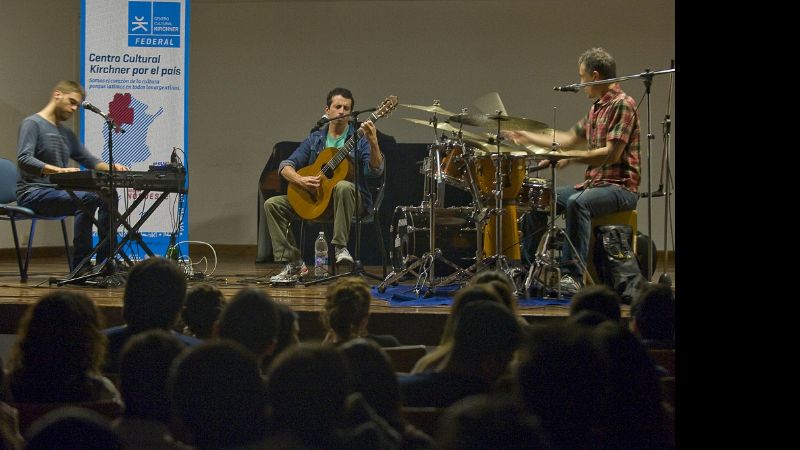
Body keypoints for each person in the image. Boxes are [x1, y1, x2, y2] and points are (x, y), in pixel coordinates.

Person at [506, 48, 640, 295]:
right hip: (595, 186)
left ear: (595, 76)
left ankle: (572, 276)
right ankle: (525, 270)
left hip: (620, 188)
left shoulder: (623, 105)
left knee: (578, 203)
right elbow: (568, 139)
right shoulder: (597, 108)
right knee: (540, 199)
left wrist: (567, 156)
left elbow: (612, 154)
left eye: (582, 77)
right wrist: (525, 136)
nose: (580, 84)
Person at [264, 87, 384, 283]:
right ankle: (293, 263)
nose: (342, 111)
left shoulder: (357, 139)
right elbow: (285, 166)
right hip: (319, 201)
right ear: (327, 110)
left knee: (343, 187)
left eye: (347, 108)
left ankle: (340, 247)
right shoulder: (315, 139)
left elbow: (375, 171)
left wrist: (373, 142)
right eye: (337, 106)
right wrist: (300, 179)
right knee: (273, 204)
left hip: (352, 201)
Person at [16, 80, 128, 272]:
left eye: (77, 105)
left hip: (57, 192)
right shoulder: (32, 124)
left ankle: (106, 261)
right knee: (89, 198)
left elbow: (88, 159)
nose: (74, 108)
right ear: (57, 94)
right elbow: (24, 159)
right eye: (72, 101)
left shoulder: (65, 133)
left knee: (109, 193)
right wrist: (59, 170)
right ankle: (81, 265)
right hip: (32, 193)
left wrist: (110, 166)